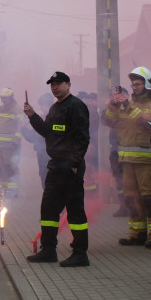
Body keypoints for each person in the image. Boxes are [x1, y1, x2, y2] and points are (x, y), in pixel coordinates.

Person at [24, 71, 91, 267]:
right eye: (52, 84)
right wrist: (32, 116)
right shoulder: (55, 107)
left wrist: (75, 164)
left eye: (59, 83)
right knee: (48, 209)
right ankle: (48, 250)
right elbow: (47, 132)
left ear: (68, 84)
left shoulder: (76, 106)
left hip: (70, 167)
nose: (55, 87)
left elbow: (82, 138)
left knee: (75, 211)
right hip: (55, 166)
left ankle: (80, 253)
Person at [102, 67, 151, 247]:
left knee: (149, 197)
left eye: (137, 84)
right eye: (133, 84)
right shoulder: (125, 104)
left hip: (146, 161)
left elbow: (150, 123)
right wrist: (112, 106)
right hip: (126, 161)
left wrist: (128, 107)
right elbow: (109, 121)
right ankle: (137, 233)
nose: (134, 87)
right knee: (131, 198)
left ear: (148, 84)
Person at [0, 88, 24, 197]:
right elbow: (1, 121)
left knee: (10, 167)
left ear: (11, 97)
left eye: (5, 98)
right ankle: (6, 188)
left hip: (10, 145)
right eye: (2, 97)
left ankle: (13, 190)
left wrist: (15, 142)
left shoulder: (17, 109)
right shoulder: (2, 109)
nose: (3, 100)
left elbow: (20, 128)